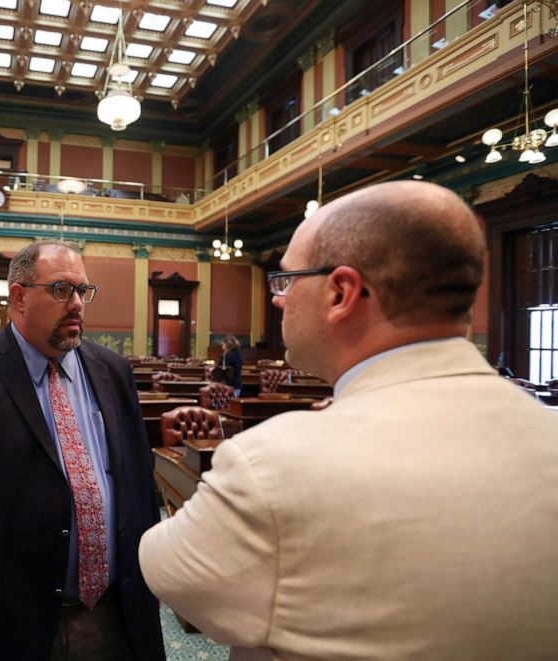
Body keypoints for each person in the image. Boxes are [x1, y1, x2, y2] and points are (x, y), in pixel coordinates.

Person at [139, 181, 558, 660]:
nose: (278, 299)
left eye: (286, 280)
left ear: (340, 292)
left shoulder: (275, 464)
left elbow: (166, 572)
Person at [0, 240, 165, 661]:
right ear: (18, 297)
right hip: (10, 622)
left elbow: (138, 490)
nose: (77, 303)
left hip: (114, 615)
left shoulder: (113, 371)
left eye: (83, 291)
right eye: (61, 290)